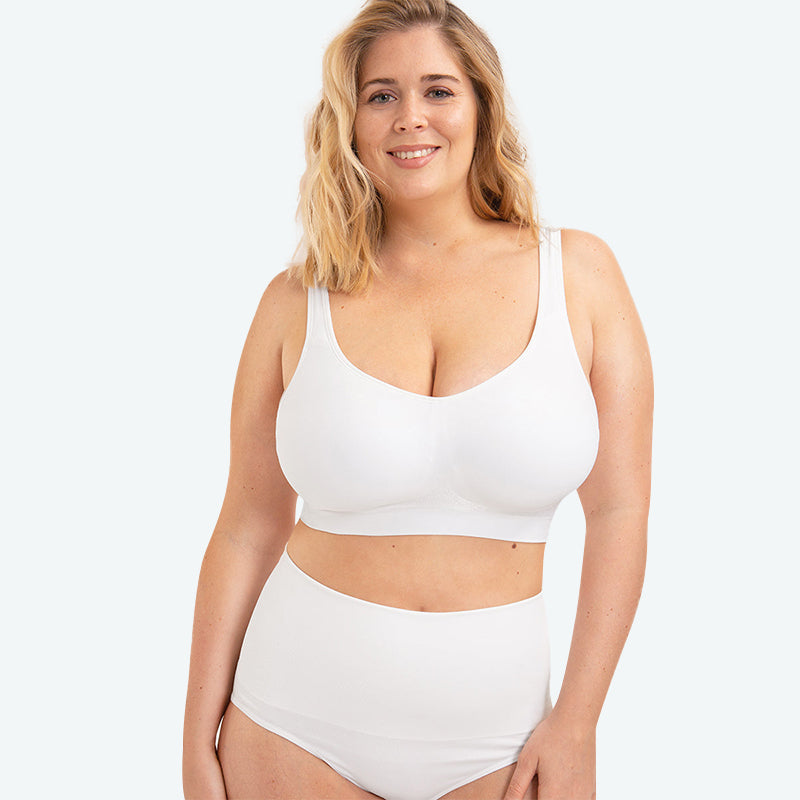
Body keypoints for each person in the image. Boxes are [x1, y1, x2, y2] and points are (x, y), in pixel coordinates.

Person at [182, 0, 653, 798]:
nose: (411, 117)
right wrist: (197, 735)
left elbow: (619, 512)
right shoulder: (295, 300)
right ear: (350, 123)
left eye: (438, 90)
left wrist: (578, 720)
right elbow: (247, 524)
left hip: (503, 745)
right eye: (381, 95)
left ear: (481, 106)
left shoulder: (580, 275)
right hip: (290, 726)